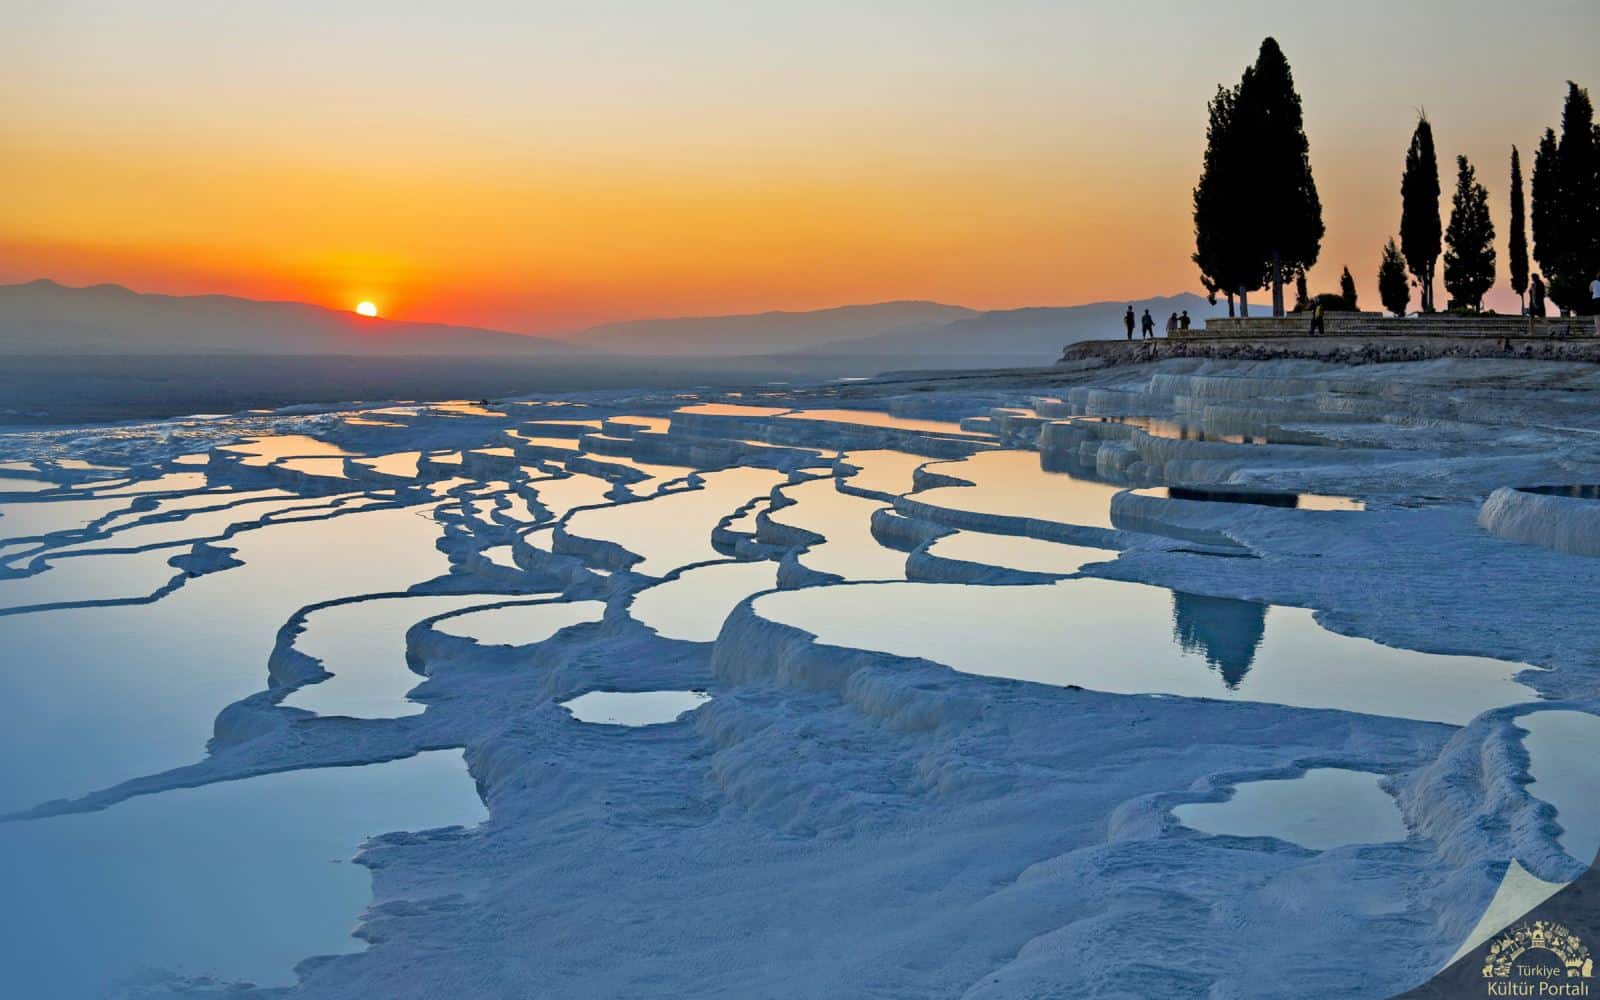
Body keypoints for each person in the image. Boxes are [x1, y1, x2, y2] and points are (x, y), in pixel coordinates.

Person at [1591, 270, 1600, 337]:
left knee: (1597, 317)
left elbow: (1590, 290)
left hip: (1596, 299)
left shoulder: (1593, 282)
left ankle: (1598, 332)